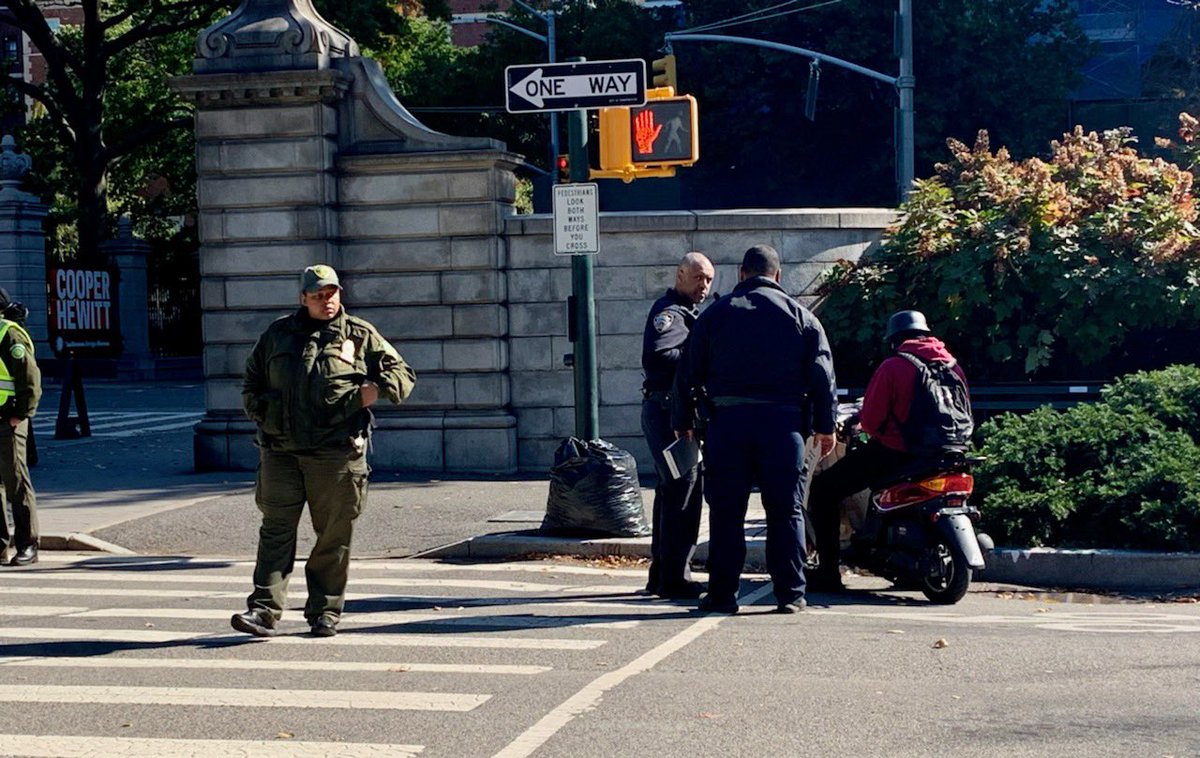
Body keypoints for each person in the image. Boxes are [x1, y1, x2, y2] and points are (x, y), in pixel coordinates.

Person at [231, 265, 416, 638]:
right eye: (317, 294)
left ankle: (324, 612)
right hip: (280, 451)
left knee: (333, 535)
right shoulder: (278, 334)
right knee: (276, 531)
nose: (326, 300)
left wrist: (372, 393)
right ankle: (263, 611)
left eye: (331, 293)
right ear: (303, 298)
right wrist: (263, 415)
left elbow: (402, 374)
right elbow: (251, 380)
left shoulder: (360, 335)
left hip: (335, 454)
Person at [672, 245, 836, 614]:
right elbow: (823, 377)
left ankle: (722, 595)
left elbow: (687, 374)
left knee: (727, 512)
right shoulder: (801, 317)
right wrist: (825, 428)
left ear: (742, 275)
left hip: (727, 425)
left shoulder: (715, 315)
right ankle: (791, 594)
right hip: (783, 425)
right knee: (786, 509)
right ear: (777, 276)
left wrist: (681, 421)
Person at [807, 310, 971, 592]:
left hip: (898, 453)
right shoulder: (952, 365)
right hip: (950, 454)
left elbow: (871, 421)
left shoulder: (895, 366)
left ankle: (828, 572)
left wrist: (862, 425)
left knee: (824, 490)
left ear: (895, 339)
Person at [641, 251, 714, 599]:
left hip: (670, 414)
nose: (704, 286)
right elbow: (659, 356)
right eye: (698, 278)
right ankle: (674, 578)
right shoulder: (670, 314)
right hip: (668, 416)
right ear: (681, 274)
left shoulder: (685, 313)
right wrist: (698, 358)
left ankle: (662, 575)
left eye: (709, 280)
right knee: (684, 490)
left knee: (673, 490)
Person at [0, 288, 41, 567]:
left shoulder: (9, 334)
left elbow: (30, 379)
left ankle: (28, 544)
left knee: (16, 482)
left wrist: (21, 415)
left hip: (8, 421)